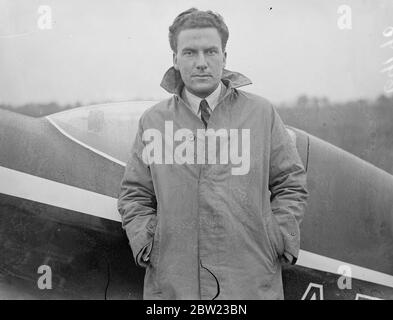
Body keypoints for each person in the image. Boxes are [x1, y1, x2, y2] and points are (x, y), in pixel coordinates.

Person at [118, 8, 308, 300]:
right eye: (190, 53)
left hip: (250, 281)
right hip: (175, 284)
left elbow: (290, 183)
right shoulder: (153, 121)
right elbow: (134, 194)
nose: (202, 63)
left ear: (224, 57)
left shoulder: (261, 114)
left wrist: (277, 237)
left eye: (211, 51)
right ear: (175, 59)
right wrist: (148, 242)